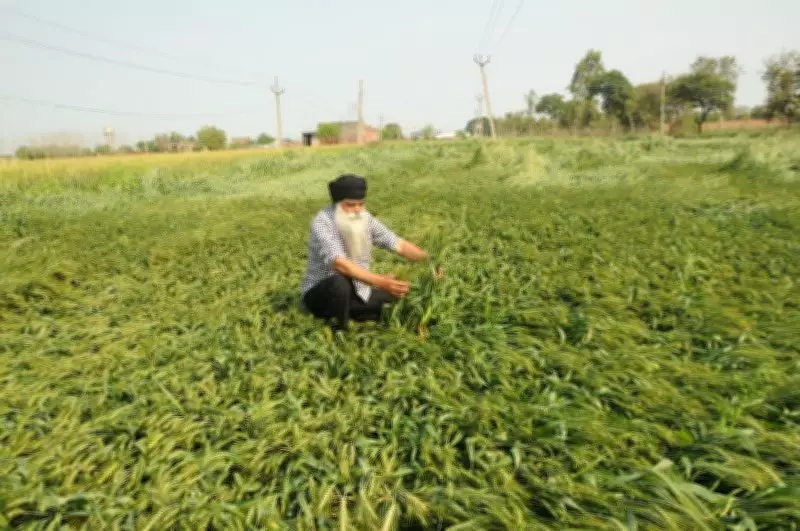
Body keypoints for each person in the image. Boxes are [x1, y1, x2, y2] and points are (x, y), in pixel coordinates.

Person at [300, 174, 440, 330]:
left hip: (356, 290)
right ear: (337, 204)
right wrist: (381, 282)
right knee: (340, 283)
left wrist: (430, 261)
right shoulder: (322, 223)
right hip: (322, 293)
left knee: (397, 300)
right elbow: (340, 264)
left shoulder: (365, 219)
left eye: (361, 204)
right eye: (350, 205)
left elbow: (397, 243)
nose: (357, 210)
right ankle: (340, 331)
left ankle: (351, 312)